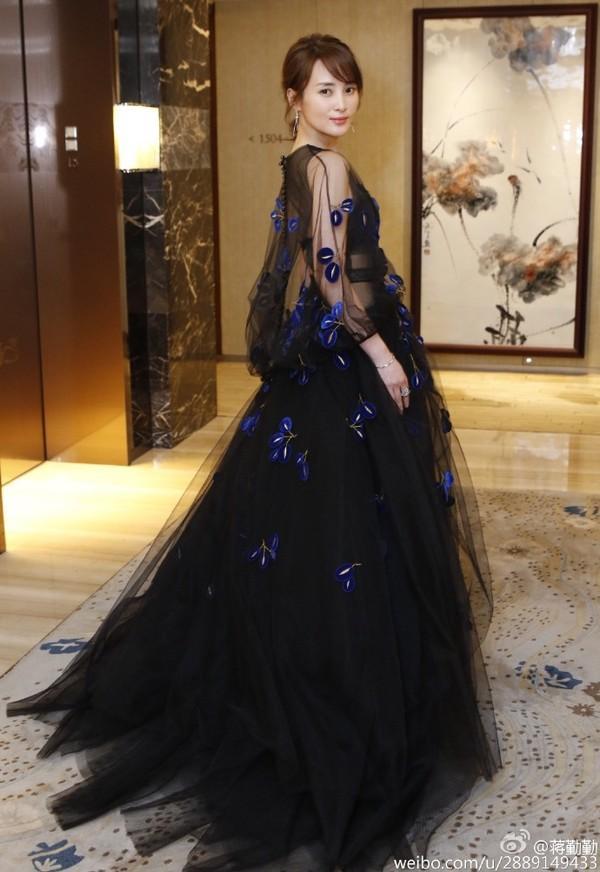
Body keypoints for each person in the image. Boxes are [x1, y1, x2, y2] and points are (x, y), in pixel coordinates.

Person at [6, 32, 502, 872]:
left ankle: (298, 656)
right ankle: (342, 683)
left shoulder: (299, 164)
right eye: (325, 90)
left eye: (349, 88)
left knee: (311, 529)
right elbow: (330, 273)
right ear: (293, 98)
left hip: (323, 365)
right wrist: (379, 352)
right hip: (349, 357)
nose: (342, 103)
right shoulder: (325, 166)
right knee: (356, 523)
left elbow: (311, 271)